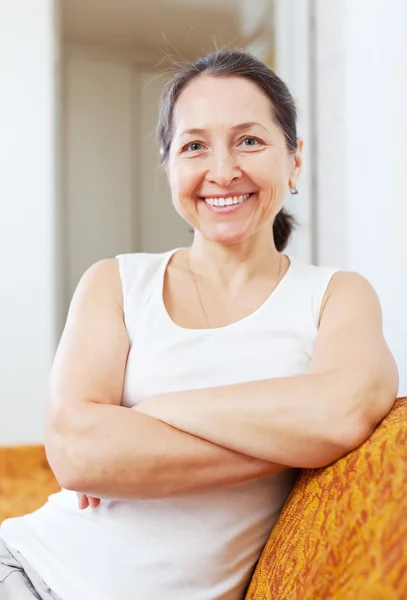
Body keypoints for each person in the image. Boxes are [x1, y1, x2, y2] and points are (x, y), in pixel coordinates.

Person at [0, 49, 398, 600]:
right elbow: (76, 452)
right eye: (194, 146)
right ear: (171, 169)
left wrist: (145, 418)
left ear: (295, 161)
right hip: (26, 572)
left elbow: (343, 412)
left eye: (250, 140)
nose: (222, 170)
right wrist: (292, 436)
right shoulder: (115, 283)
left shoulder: (336, 296)